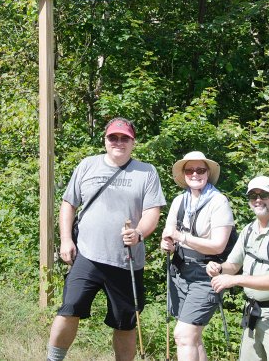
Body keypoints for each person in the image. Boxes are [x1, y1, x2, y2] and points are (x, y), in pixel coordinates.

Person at [47, 117, 166, 361]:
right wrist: (66, 239)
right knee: (69, 309)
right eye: (113, 137)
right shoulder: (88, 165)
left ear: (133, 142)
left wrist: (139, 233)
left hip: (126, 261)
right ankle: (53, 359)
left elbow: (152, 212)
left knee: (125, 323)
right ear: (105, 140)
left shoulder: (147, 172)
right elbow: (69, 204)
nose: (118, 142)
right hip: (88, 255)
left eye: (125, 138)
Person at [207, 176, 269, 361]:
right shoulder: (249, 230)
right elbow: (233, 265)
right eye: (252, 195)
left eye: (263, 195)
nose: (257, 200)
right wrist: (218, 268)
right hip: (253, 315)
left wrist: (234, 280)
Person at [160, 151, 235, 361]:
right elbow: (169, 238)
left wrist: (180, 237)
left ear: (208, 173)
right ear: (183, 174)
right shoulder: (179, 201)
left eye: (200, 170)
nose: (195, 174)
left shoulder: (219, 202)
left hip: (206, 275)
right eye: (189, 170)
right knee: (194, 338)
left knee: (183, 336)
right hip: (180, 273)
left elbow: (218, 246)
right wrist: (168, 244)